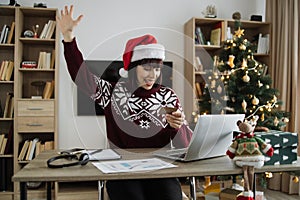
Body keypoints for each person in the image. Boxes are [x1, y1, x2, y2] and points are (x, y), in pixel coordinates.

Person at [57, 5, 193, 200]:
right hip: (121, 168)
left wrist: (178, 127)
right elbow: (82, 76)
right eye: (146, 68)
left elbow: (184, 146)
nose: (152, 75)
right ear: (133, 68)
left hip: (160, 168)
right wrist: (69, 39)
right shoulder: (112, 92)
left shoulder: (168, 95)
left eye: (157, 69)